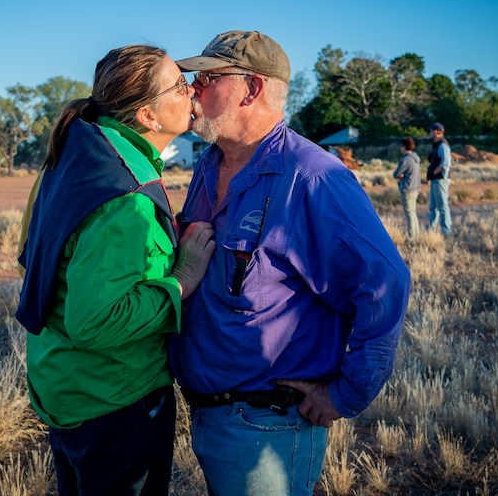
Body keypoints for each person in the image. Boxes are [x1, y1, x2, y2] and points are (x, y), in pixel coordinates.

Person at [169, 30, 411, 496]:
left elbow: (385, 283)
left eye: (208, 77)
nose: (193, 88)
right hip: (207, 414)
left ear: (253, 88)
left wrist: (345, 395)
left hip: (268, 427)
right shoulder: (209, 165)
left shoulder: (313, 177)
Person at [15, 44, 216, 496]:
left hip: (65, 385)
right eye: (180, 86)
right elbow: (94, 322)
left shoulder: (76, 156)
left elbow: (33, 254)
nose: (193, 90)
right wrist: (181, 279)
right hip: (113, 400)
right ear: (148, 115)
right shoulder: (126, 199)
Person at [426, 122, 451, 236]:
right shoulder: (437, 146)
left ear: (436, 132)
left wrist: (435, 172)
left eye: (431, 131)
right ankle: (432, 229)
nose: (430, 133)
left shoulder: (443, 145)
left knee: (442, 206)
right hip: (435, 180)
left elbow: (446, 164)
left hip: (440, 180)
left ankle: (446, 231)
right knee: (434, 207)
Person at [393, 136, 421, 238]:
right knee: (413, 213)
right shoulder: (416, 158)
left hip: (407, 189)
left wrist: (400, 176)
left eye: (401, 146)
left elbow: (396, 174)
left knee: (409, 214)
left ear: (404, 146)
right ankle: (416, 234)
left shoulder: (406, 160)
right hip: (416, 188)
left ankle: (411, 236)